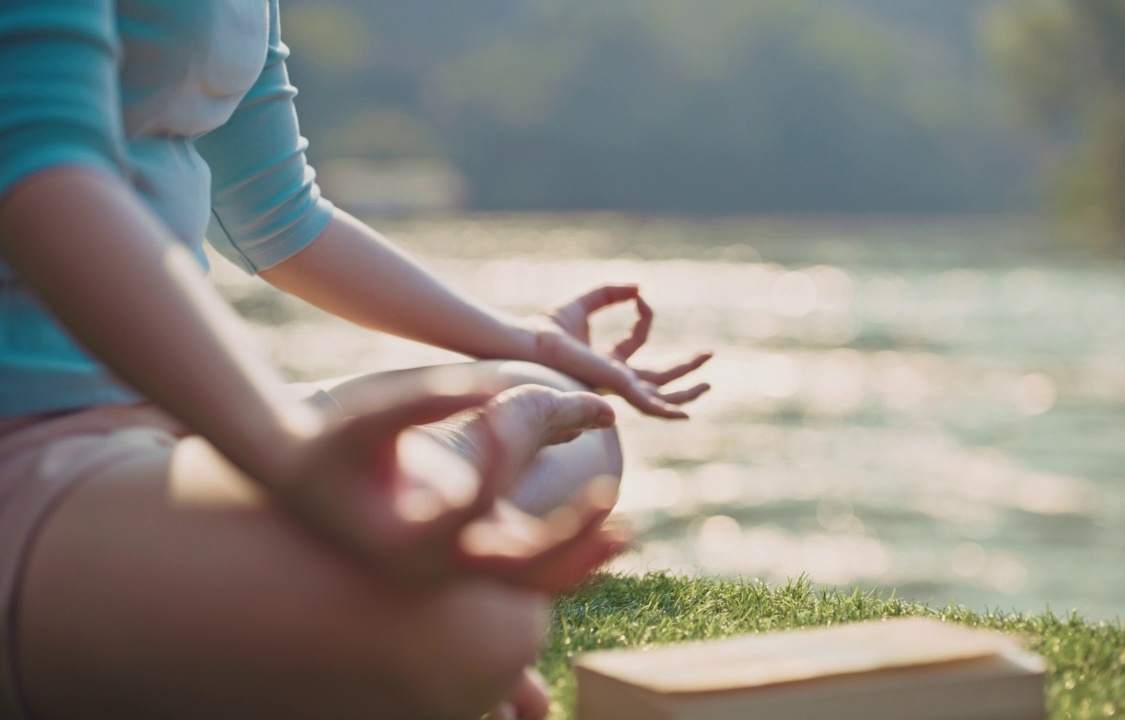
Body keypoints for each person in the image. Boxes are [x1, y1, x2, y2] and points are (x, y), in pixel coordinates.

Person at [0, 1, 711, 718]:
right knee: (471, 619)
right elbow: (40, 164)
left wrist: (525, 340)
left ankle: (461, 456)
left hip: (176, 421)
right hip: (29, 438)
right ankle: (453, 465)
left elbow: (281, 214)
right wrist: (286, 452)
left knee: (571, 412)